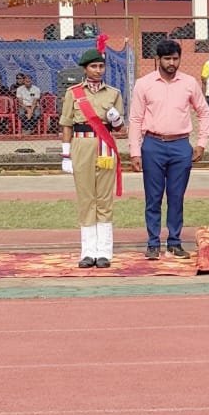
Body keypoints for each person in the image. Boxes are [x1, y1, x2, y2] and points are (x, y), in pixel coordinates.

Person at [128, 39, 209, 259]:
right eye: (167, 59)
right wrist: (135, 151)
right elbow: (135, 119)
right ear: (158, 60)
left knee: (176, 196)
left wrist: (202, 143)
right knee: (153, 197)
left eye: (175, 58)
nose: (172, 63)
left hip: (181, 145)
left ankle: (174, 241)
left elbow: (204, 112)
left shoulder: (190, 83)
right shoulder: (143, 84)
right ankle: (153, 243)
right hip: (152, 145)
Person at [59, 39, 125, 268]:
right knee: (86, 199)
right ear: (85, 69)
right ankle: (88, 252)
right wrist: (66, 154)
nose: (98, 70)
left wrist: (116, 120)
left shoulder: (114, 93)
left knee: (104, 199)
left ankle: (104, 252)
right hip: (81, 145)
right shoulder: (74, 93)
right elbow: (66, 123)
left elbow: (120, 128)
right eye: (93, 67)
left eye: (101, 66)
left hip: (105, 146)